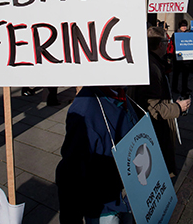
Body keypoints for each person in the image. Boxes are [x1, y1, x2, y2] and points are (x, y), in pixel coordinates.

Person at [56, 86, 138, 223]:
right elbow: (71, 174)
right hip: (104, 208)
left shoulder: (120, 94)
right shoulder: (85, 109)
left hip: (127, 197)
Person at [128, 26, 191, 177]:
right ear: (160, 44)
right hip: (153, 128)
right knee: (156, 168)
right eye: (166, 41)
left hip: (148, 124)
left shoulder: (150, 61)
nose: (167, 44)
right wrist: (177, 108)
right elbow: (153, 107)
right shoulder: (152, 67)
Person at [171, 19, 191, 94]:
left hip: (186, 57)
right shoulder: (175, 33)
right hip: (178, 56)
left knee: (185, 74)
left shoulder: (189, 33)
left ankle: (184, 88)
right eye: (183, 26)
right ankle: (174, 88)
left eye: (185, 26)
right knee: (176, 73)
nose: (184, 27)